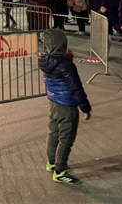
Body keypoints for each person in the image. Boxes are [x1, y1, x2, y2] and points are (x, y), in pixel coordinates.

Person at [39, 29, 91, 185]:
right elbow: (75, 87)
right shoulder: (66, 65)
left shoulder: (44, 60)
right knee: (66, 138)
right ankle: (60, 171)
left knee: (54, 132)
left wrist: (66, 59)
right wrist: (85, 107)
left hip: (53, 103)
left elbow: (57, 67)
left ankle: (52, 162)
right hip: (67, 105)